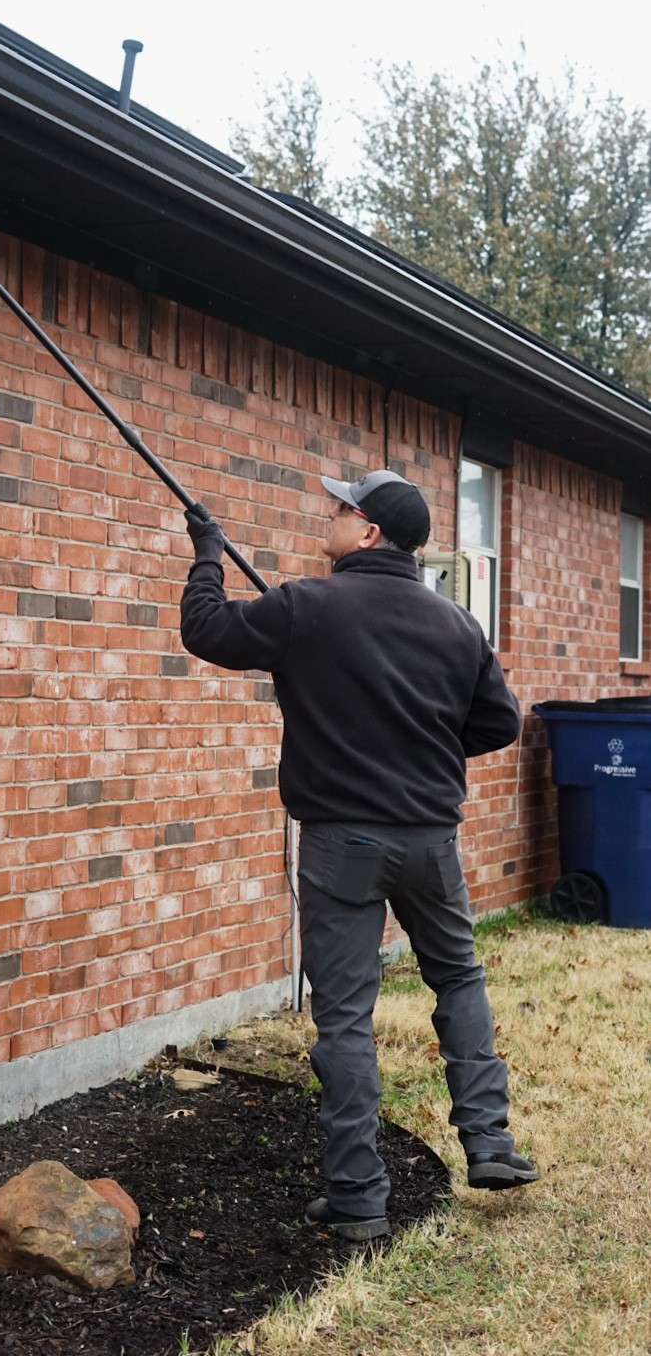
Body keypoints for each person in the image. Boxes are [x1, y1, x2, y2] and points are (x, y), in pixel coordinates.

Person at [180, 469, 537, 1242]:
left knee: (344, 1018)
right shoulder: (454, 625)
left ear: (369, 532)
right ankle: (489, 1143)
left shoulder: (305, 607)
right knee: (457, 977)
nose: (331, 516)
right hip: (429, 842)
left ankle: (357, 1198)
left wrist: (207, 552)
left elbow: (206, 630)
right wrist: (426, 742)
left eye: (341, 509)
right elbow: (498, 723)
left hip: (342, 843)